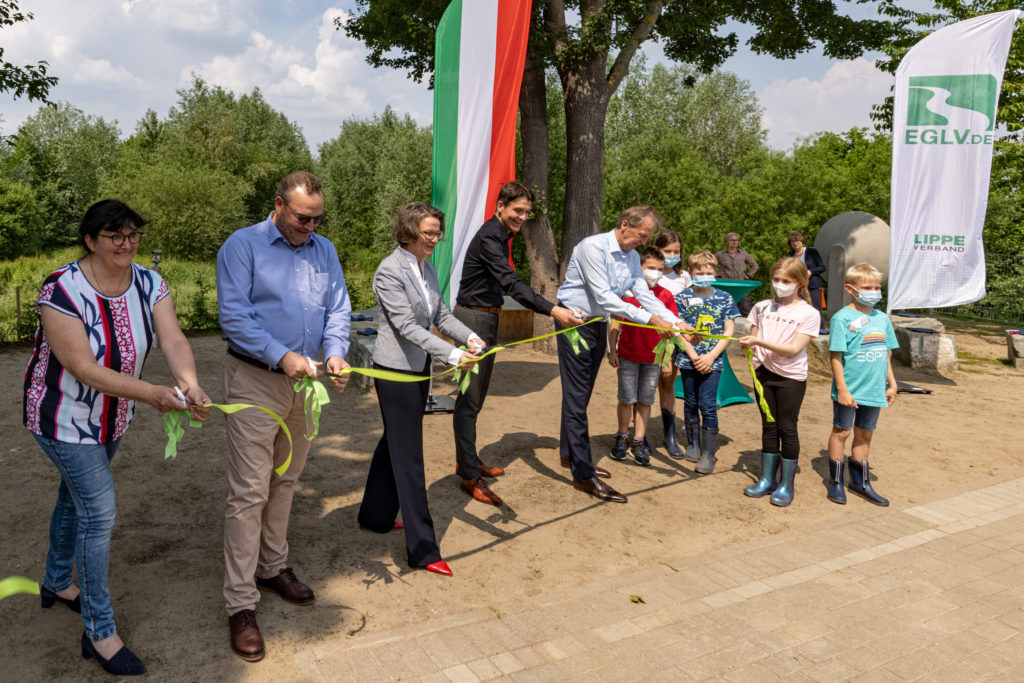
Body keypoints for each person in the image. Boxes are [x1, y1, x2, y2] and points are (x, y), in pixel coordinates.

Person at [24, 199, 212, 676]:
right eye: (115, 236)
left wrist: (188, 382)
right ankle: (100, 632)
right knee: (99, 512)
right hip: (63, 418)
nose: (127, 244)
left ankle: (55, 582)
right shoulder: (61, 289)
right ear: (90, 240)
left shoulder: (149, 282)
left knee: (75, 500)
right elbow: (83, 368)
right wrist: (152, 393)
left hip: (112, 416)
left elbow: (172, 340)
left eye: (132, 235)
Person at [217, 171, 352, 662]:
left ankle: (273, 568)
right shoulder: (242, 246)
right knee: (249, 490)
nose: (310, 227)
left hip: (305, 384)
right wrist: (281, 356)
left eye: (317, 218)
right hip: (254, 380)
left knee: (286, 480)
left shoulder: (324, 249)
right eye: (302, 217)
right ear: (278, 205)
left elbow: (338, 307)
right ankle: (240, 603)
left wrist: (335, 352)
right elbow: (234, 316)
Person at [357, 202, 481, 576]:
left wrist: (470, 337)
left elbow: (440, 315)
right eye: (428, 232)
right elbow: (407, 326)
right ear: (408, 230)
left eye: (437, 233)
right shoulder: (388, 271)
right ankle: (423, 550)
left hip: (418, 370)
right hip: (394, 374)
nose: (435, 239)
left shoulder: (427, 267)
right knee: (409, 457)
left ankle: (374, 516)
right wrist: (453, 355)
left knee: (394, 441)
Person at [453, 181, 581, 505]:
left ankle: (467, 459)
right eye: (517, 210)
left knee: (476, 398)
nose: (522, 217)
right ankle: (469, 475)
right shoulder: (489, 238)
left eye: (526, 212)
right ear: (500, 206)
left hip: (486, 317)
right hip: (473, 320)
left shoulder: (501, 235)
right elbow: (510, 283)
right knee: (469, 400)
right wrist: (553, 309)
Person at [556, 205, 691, 504]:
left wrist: (674, 321)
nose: (645, 242)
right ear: (626, 225)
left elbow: (642, 294)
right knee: (577, 397)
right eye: (643, 235)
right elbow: (605, 296)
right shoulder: (593, 248)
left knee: (581, 393)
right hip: (573, 323)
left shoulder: (631, 257)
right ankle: (582, 474)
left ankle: (569, 454)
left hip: (596, 321)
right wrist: (650, 320)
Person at [738, 257, 820, 507]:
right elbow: (752, 338)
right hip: (764, 375)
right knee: (769, 426)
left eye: (786, 281)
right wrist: (754, 359)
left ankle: (786, 484)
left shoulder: (809, 313)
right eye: (776, 279)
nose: (779, 285)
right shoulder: (761, 307)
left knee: (787, 427)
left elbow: (794, 349)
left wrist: (758, 343)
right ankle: (766, 479)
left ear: (799, 283)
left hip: (790, 378)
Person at [825, 263, 898, 506]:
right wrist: (842, 389)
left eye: (877, 287)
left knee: (865, 433)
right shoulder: (842, 318)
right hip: (850, 390)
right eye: (868, 287)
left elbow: (885, 352)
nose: (874, 291)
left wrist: (892, 383)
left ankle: (860, 482)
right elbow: (836, 355)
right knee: (842, 432)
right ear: (851, 288)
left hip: (874, 390)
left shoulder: (882, 319)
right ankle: (835, 482)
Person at [606, 247, 678, 466]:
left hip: (653, 360)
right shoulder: (627, 293)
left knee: (645, 401)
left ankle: (638, 441)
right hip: (627, 356)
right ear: (640, 268)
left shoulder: (665, 296)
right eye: (650, 268)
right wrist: (612, 350)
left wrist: (666, 360)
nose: (655, 273)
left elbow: (673, 329)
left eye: (660, 269)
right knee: (626, 399)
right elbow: (615, 322)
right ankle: (621, 436)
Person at [673, 251, 740, 474]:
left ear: (715, 273)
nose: (704, 276)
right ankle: (693, 443)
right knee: (690, 401)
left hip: (713, 362)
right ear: (690, 272)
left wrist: (711, 356)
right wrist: (692, 354)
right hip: (688, 359)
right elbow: (677, 328)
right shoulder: (681, 297)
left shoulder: (724, 298)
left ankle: (709, 453)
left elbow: (729, 330)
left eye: (708, 273)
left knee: (708, 405)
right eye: (699, 272)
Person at [652, 230, 691, 459]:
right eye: (668, 251)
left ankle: (669, 436)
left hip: (672, 338)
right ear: (657, 249)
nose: (673, 255)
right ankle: (637, 432)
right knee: (644, 383)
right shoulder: (648, 274)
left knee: (668, 380)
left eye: (677, 251)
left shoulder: (684, 277)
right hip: (648, 335)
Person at [714, 232, 758, 316]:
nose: (734, 242)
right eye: (732, 240)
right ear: (726, 242)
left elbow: (754, 265)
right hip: (724, 285)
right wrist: (715, 274)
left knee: (746, 309)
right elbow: (709, 264)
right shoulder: (719, 255)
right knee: (722, 309)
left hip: (741, 285)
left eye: (736, 240)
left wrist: (749, 275)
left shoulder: (744, 254)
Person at [787, 231, 826, 319]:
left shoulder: (812, 252)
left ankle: (820, 330)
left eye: (797, 241)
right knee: (797, 309)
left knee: (815, 309)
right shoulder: (789, 256)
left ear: (802, 241)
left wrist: (810, 271)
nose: (795, 243)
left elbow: (822, 267)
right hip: (796, 286)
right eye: (792, 241)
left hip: (812, 285)